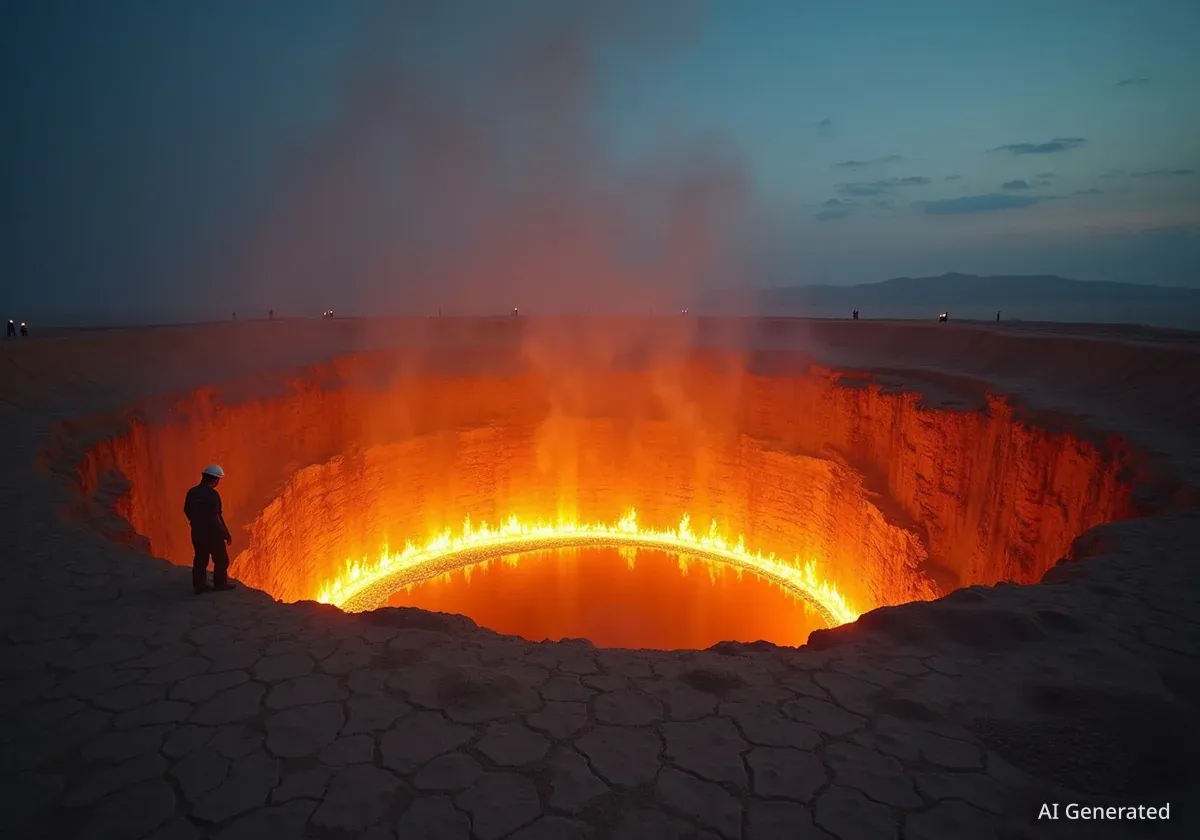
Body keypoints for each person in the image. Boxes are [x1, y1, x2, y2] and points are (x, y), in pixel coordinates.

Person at [184, 464, 236, 594]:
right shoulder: (213, 495)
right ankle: (220, 583)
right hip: (213, 534)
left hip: (197, 533)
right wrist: (226, 534)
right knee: (221, 560)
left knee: (200, 559)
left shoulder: (192, 492)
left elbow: (187, 511)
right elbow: (216, 517)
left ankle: (199, 586)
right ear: (214, 480)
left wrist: (195, 523)